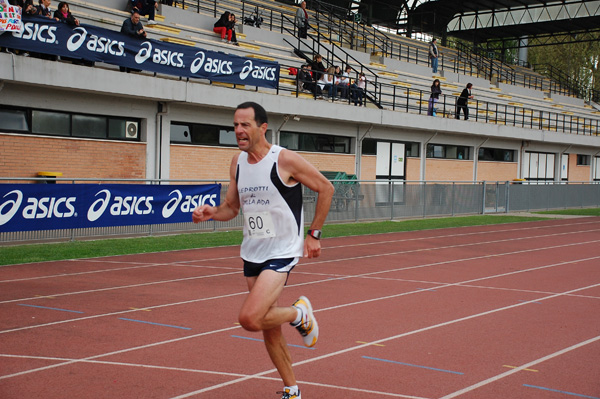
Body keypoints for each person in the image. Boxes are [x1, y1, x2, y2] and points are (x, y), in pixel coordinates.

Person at [192, 102, 334, 399]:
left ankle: (299, 313)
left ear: (262, 127)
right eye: (235, 126)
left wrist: (314, 235)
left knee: (250, 319)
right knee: (269, 327)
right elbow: (231, 207)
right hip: (252, 251)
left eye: (245, 125)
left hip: (282, 250)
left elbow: (325, 187)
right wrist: (211, 213)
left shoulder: (282, 159)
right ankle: (292, 390)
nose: (239, 131)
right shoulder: (237, 163)